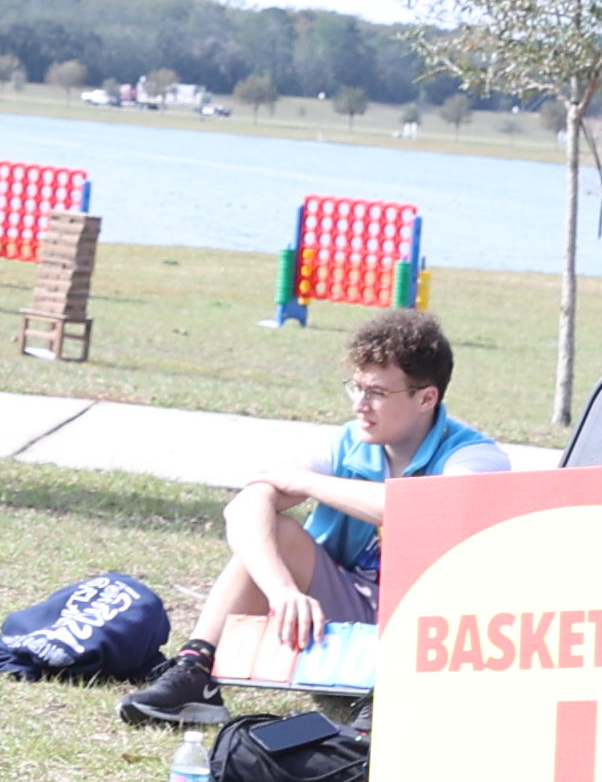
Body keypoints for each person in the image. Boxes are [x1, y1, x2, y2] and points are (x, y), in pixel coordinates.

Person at [119, 308, 511, 729]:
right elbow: (244, 507)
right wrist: (283, 590)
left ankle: (392, 695)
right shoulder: (347, 441)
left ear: (426, 398)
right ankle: (197, 675)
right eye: (356, 388)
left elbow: (425, 511)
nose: (360, 405)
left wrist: (309, 484)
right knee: (274, 530)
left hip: (429, 625)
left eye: (377, 392)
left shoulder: (477, 457)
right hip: (349, 607)